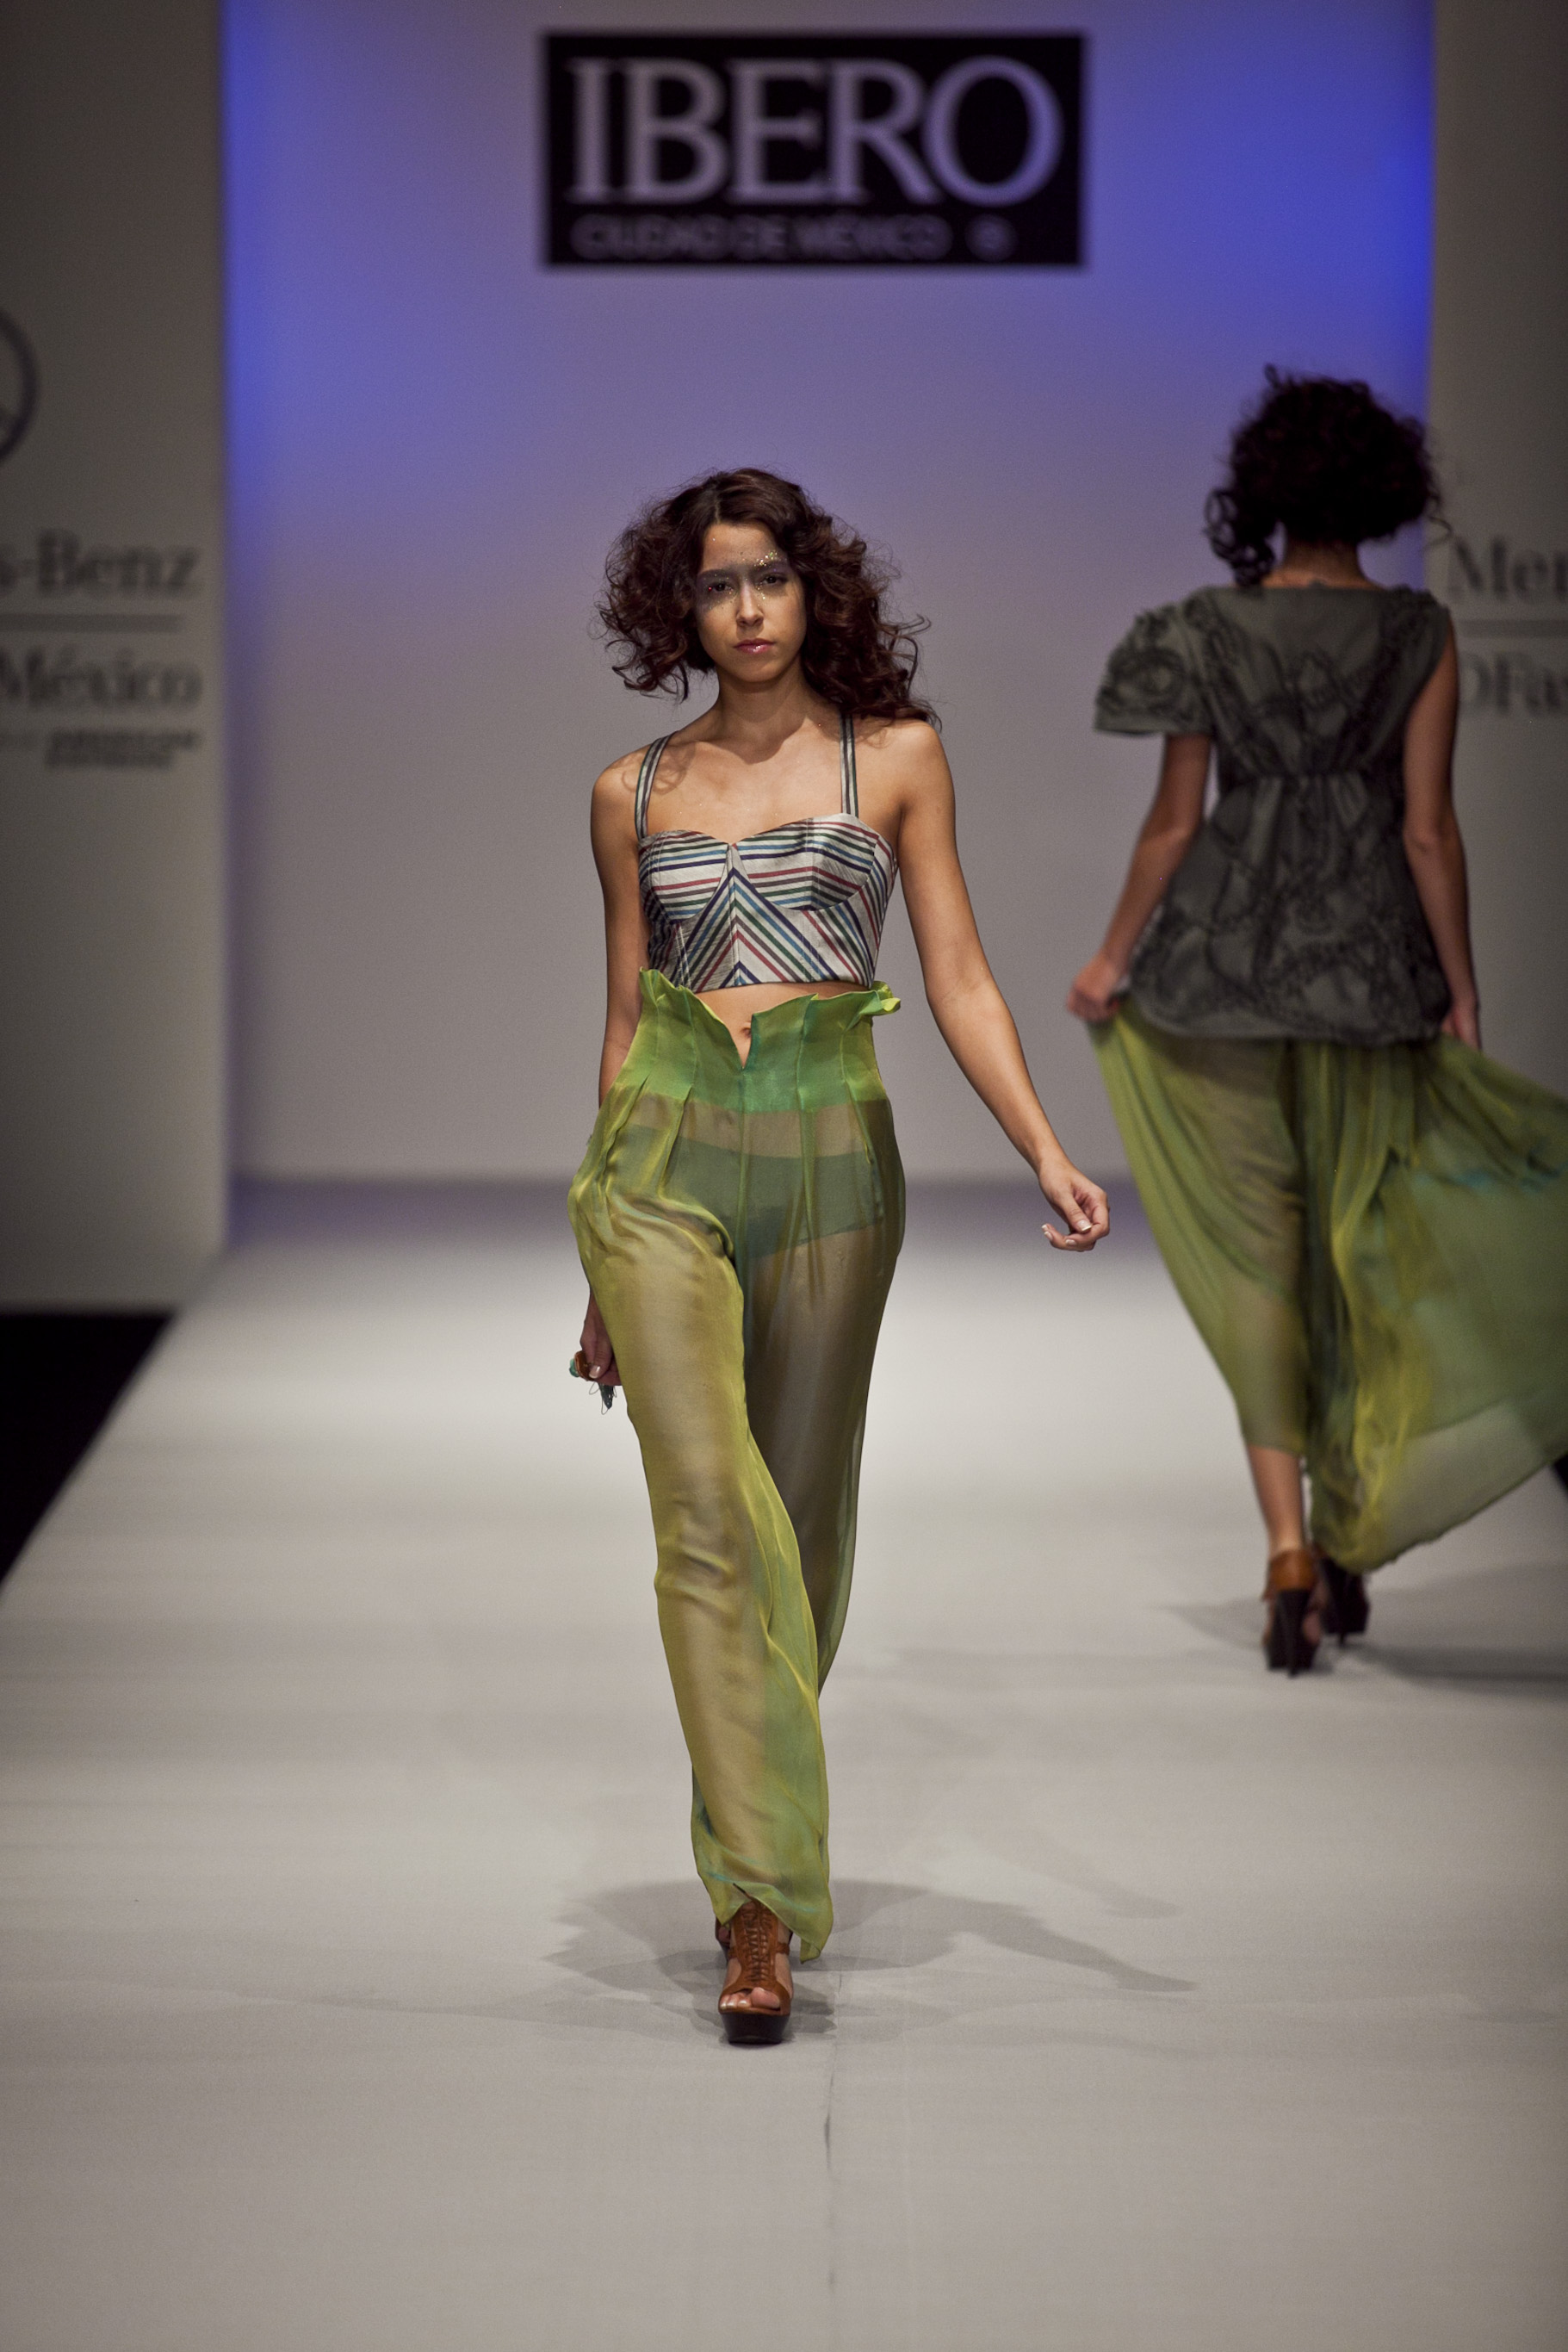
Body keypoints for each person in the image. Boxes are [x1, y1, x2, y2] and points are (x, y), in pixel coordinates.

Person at [570, 469, 1107, 2039]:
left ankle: (753, 1838)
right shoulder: (628, 790)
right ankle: (754, 1907)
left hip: (829, 1162)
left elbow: (960, 976)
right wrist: (595, 1267)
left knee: (795, 1537)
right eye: (714, 584)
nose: (746, 610)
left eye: (770, 579)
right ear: (677, 608)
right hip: (659, 1164)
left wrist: (1045, 1145)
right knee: (703, 1521)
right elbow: (624, 1023)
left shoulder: (897, 758)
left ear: (816, 592)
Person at [1069, 371, 1568, 1676]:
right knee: (1360, 1259)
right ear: (1387, 491)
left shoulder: (1205, 628)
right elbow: (1429, 830)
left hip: (1216, 978)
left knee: (1260, 1266)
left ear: (1264, 492)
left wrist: (1112, 958)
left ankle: (1289, 1551)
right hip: (1367, 981)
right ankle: (1346, 1536)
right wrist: (1461, 987)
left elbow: (1174, 824)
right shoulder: (1416, 632)